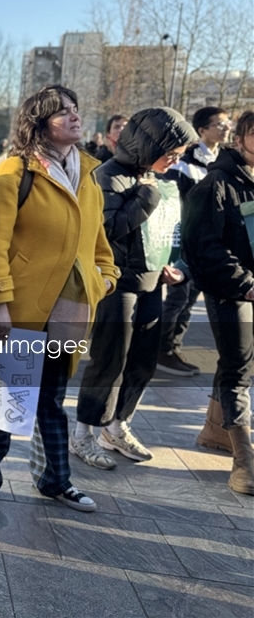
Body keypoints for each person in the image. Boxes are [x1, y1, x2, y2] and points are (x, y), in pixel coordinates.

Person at [0, 85, 119, 517]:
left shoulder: (88, 177)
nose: (74, 116)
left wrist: (104, 280)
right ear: (39, 124)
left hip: (68, 313)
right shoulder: (15, 171)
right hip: (16, 310)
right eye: (61, 112)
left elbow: (100, 246)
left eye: (75, 108)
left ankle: (55, 481)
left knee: (50, 401)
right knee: (1, 402)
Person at [74, 108, 197, 468]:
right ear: (150, 144)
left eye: (179, 155)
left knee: (143, 361)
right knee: (109, 361)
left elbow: (170, 234)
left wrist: (175, 265)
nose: (175, 160)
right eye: (171, 152)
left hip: (152, 281)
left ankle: (118, 425)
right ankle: (84, 433)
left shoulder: (158, 179)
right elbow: (107, 231)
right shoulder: (106, 175)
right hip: (117, 285)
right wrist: (145, 199)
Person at [181, 110, 254, 495]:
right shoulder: (216, 184)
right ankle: (243, 459)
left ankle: (215, 430)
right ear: (240, 138)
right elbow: (203, 246)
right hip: (232, 291)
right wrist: (245, 284)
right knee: (239, 365)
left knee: (238, 358)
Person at [157, 107, 231, 377]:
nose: (226, 128)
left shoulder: (224, 160)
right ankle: (163, 349)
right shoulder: (184, 162)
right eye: (220, 124)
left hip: (209, 244)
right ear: (202, 130)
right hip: (185, 242)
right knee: (178, 298)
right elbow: (171, 202)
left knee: (190, 299)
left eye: (228, 123)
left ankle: (172, 346)